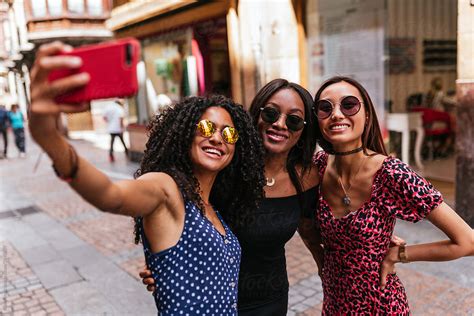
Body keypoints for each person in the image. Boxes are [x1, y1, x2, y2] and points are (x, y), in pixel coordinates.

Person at [28, 41, 266, 315]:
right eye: (207, 127)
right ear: (186, 133)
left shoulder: (214, 208)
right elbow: (111, 195)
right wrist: (48, 137)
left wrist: (165, 274)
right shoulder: (167, 189)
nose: (216, 137)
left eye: (229, 134)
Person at [141, 79, 324, 315]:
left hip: (272, 299)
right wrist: (161, 260)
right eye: (270, 113)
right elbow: (174, 214)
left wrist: (328, 264)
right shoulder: (222, 166)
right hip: (211, 302)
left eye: (294, 119)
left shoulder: (307, 178)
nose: (280, 124)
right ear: (256, 116)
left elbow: (309, 229)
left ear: (303, 129)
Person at [311, 76, 473, 314]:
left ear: (366, 115)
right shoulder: (317, 167)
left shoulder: (391, 173)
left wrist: (399, 254)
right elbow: (302, 222)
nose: (336, 114)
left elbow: (467, 241)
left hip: (381, 304)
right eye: (325, 108)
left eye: (349, 105)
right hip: (335, 302)